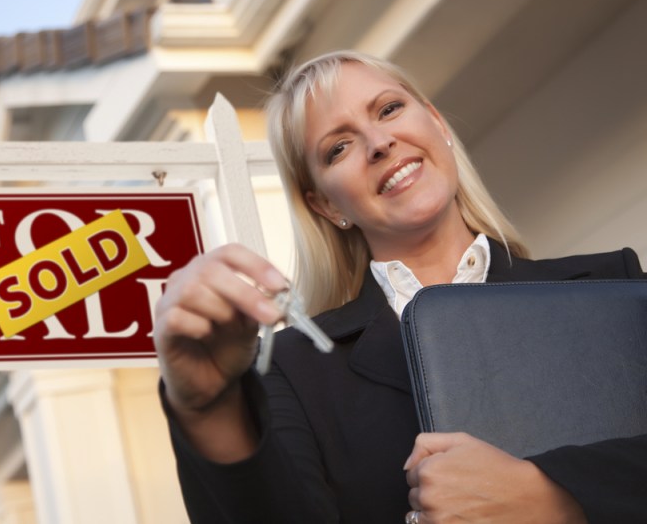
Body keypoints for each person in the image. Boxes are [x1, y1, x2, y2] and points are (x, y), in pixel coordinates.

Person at [153, 50, 647, 523]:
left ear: (436, 123)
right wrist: (208, 405)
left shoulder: (615, 284)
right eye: (338, 147)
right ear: (327, 206)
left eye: (389, 109)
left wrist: (553, 496)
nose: (379, 142)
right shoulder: (292, 370)